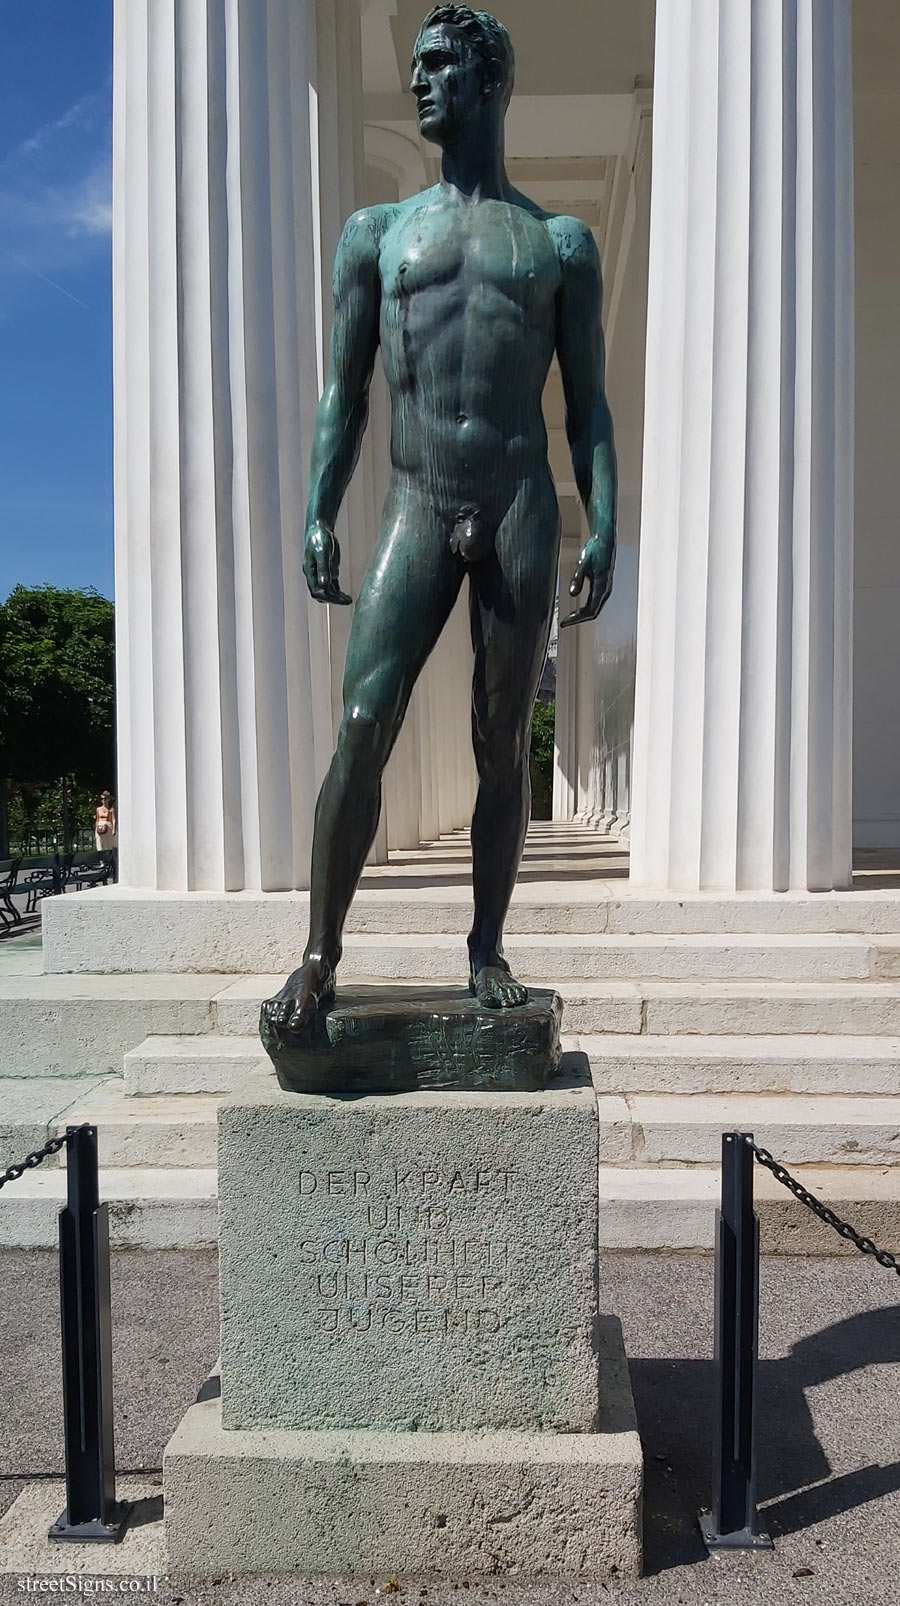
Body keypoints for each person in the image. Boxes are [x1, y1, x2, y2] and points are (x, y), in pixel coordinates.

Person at [265, 3, 616, 1033]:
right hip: (418, 497)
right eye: (413, 67)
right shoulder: (377, 234)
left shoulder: (559, 243)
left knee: (501, 739)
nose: (420, 83)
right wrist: (320, 509)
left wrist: (600, 520)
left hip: (514, 497)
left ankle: (487, 947)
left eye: (438, 66)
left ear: (489, 82)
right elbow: (347, 391)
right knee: (364, 724)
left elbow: (587, 401)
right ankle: (319, 955)